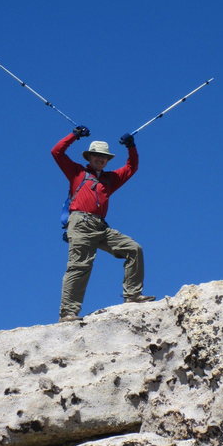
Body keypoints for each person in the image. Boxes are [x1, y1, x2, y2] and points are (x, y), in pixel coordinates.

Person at [51, 125, 155, 322]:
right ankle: (68, 313)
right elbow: (57, 152)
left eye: (104, 157)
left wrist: (131, 147)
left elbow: (132, 167)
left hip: (100, 225)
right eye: (97, 155)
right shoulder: (77, 172)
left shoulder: (110, 179)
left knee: (133, 249)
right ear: (89, 157)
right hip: (80, 222)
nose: (100, 159)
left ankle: (132, 295)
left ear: (107, 160)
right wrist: (74, 135)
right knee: (79, 266)